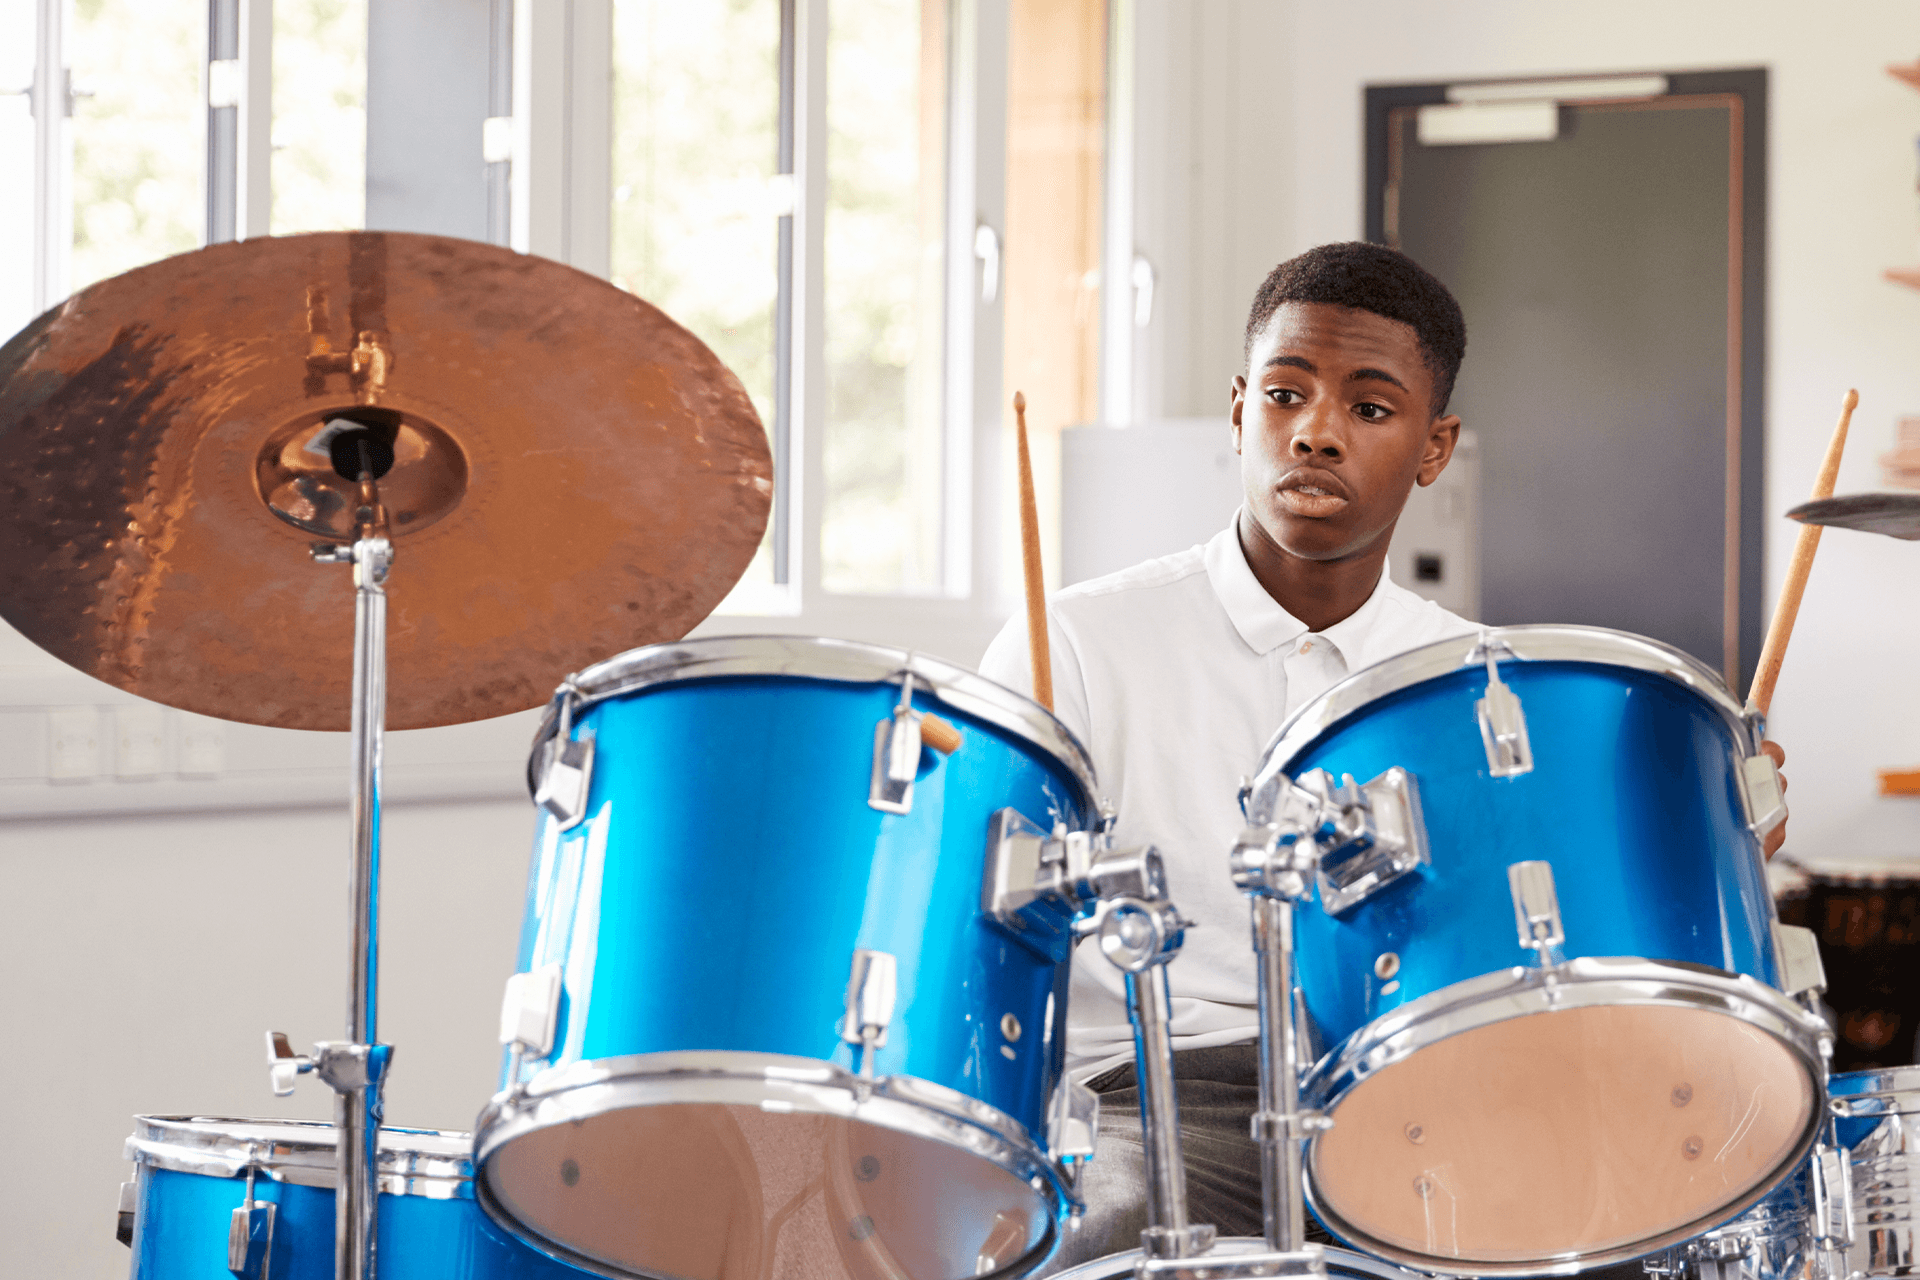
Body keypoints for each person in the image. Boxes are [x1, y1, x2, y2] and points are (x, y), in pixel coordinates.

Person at [976, 241, 1788, 1268]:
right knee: (1097, 1220)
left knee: (1627, 1214)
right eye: (1284, 395)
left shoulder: (1467, 677)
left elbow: (1528, 933)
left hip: (1407, 1094)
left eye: (1368, 408)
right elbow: (982, 902)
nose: (1315, 432)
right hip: (1153, 1097)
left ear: (1434, 446)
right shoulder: (1078, 643)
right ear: (1238, 412)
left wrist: (1709, 829)